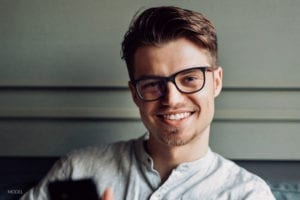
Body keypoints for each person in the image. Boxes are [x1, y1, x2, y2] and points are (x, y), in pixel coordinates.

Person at [21, 6, 275, 200]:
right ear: (135, 93)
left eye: (189, 78)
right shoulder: (77, 170)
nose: (172, 99)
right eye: (153, 84)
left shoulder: (248, 194)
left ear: (216, 82)